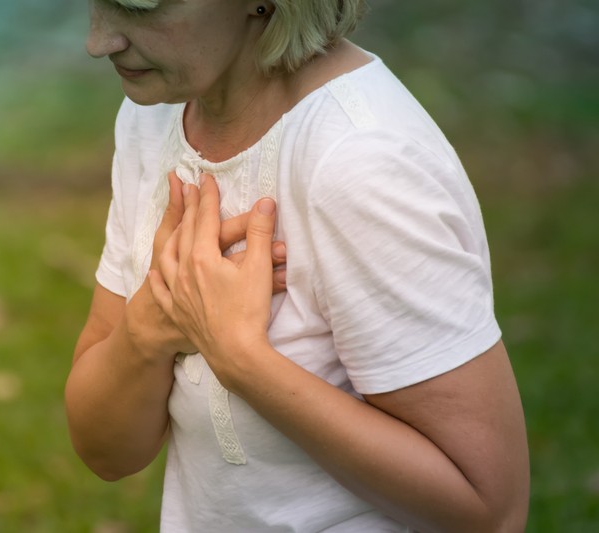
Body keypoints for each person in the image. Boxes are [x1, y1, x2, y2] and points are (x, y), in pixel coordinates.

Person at [65, 0, 530, 531]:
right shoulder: (156, 115)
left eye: (139, 7)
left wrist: (240, 357)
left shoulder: (362, 162)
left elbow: (491, 511)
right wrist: (150, 328)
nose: (98, 41)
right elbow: (105, 451)